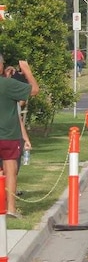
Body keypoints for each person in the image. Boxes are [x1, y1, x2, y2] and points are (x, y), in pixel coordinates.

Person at [0, 55, 39, 218]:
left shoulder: (6, 83)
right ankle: (10, 209)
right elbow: (34, 90)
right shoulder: (7, 84)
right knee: (10, 171)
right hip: (8, 135)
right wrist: (27, 71)